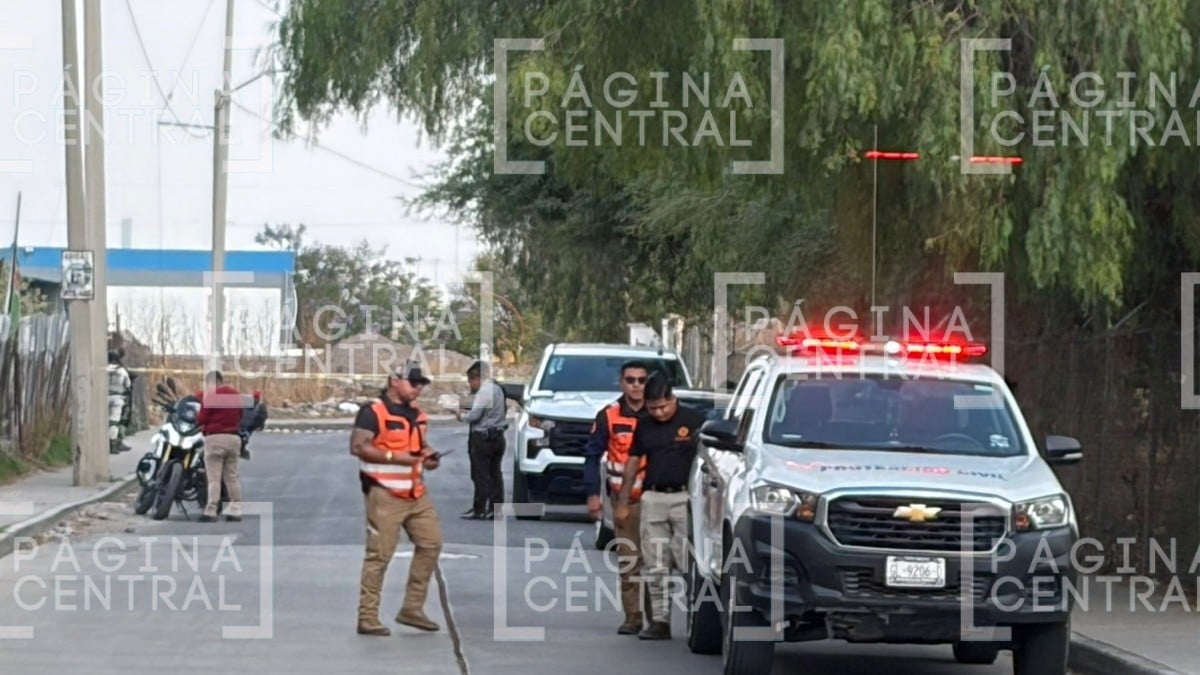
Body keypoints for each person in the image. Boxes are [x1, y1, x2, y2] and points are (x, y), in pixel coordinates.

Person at [351, 364, 444, 636]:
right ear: (394, 381)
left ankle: (412, 609)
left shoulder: (417, 414)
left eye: (421, 384)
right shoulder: (373, 412)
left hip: (416, 493)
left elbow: (417, 447)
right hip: (384, 493)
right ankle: (367, 617)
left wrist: (429, 457)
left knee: (431, 543)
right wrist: (394, 458)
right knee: (379, 555)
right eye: (413, 383)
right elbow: (358, 447)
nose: (418, 388)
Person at [614, 370, 707, 640]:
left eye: (663, 407)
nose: (659, 413)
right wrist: (623, 500)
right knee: (655, 564)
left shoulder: (694, 421)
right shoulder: (644, 423)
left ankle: (698, 620)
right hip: (653, 497)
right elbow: (633, 460)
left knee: (688, 562)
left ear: (673, 398)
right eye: (653, 408)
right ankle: (660, 621)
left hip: (686, 500)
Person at [582, 360, 651, 635]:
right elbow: (591, 457)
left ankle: (659, 619)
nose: (636, 385)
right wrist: (591, 495)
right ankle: (633, 616)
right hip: (625, 501)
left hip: (657, 498)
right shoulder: (608, 416)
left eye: (641, 380)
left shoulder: (659, 413)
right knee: (630, 560)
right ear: (621, 383)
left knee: (659, 561)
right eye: (630, 380)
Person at [456, 360, 508, 519]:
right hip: (498, 436)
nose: (470, 385)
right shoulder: (498, 389)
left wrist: (461, 416)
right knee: (495, 474)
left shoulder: (484, 392)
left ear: (476, 378)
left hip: (483, 438)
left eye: (470, 381)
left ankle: (479, 509)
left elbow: (474, 415)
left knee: (480, 474)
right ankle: (495, 509)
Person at [196, 371, 247, 522]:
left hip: (215, 438)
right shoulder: (235, 395)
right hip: (233, 438)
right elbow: (240, 415)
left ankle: (211, 511)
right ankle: (236, 511)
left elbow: (202, 418)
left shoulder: (211, 397)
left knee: (214, 479)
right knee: (232, 477)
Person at [106, 350, 132, 453]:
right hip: (117, 398)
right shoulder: (122, 371)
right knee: (114, 422)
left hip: (104, 396)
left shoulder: (103, 369)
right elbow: (128, 385)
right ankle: (112, 444)